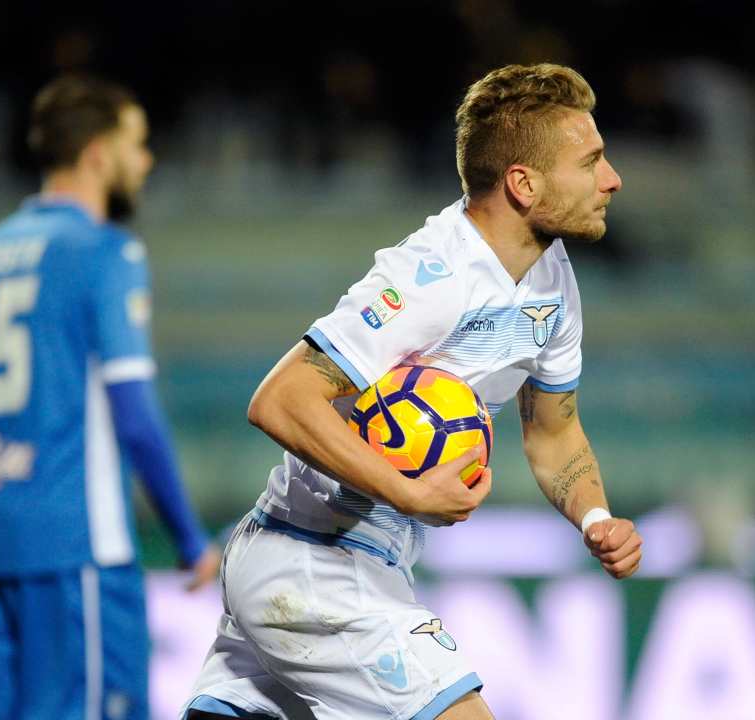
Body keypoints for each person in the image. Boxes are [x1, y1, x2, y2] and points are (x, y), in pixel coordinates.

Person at [183, 62, 643, 720]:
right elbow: (281, 398)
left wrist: (596, 519)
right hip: (317, 563)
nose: (612, 179)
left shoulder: (554, 280)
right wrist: (408, 490)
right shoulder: (432, 277)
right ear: (522, 182)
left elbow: (554, 431)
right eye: (591, 161)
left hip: (337, 563)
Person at [0, 75, 220, 719]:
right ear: (99, 153)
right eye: (138, 144)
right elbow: (134, 414)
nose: (146, 161)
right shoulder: (105, 253)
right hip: (79, 551)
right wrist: (188, 537)